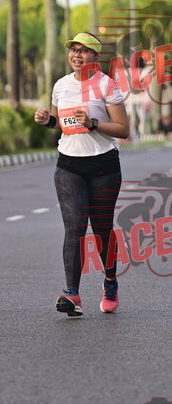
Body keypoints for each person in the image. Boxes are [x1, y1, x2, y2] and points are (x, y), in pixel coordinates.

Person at [34, 32, 130, 317]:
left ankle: (110, 281)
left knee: (101, 230)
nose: (77, 55)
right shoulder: (61, 85)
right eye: (73, 50)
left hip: (103, 166)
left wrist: (93, 123)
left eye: (83, 50)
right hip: (69, 165)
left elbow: (123, 129)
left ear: (95, 57)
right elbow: (60, 123)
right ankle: (72, 293)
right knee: (75, 228)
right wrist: (47, 120)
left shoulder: (106, 85)